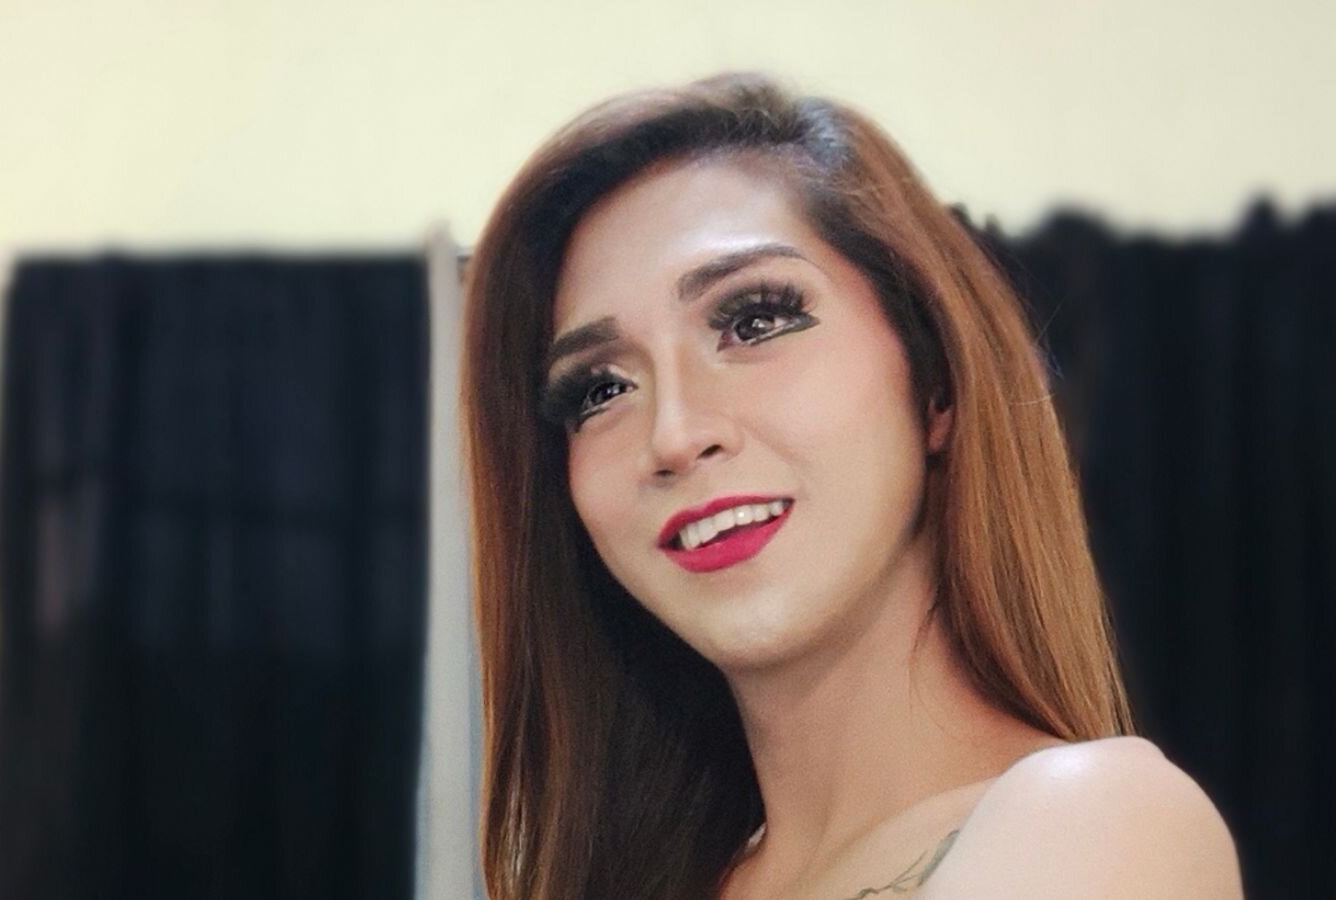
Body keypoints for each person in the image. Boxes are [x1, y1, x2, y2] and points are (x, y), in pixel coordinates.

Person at [459, 72, 1244, 900]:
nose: (675, 436)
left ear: (934, 381)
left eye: (755, 321)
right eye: (600, 389)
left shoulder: (1092, 821)